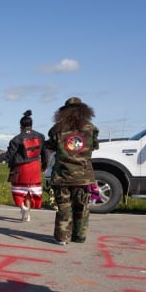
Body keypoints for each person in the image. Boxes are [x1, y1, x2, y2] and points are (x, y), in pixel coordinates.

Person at [45, 97, 99, 245]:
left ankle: (63, 237)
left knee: (64, 205)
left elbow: (50, 146)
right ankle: (79, 236)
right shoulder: (91, 128)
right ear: (84, 110)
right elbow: (94, 146)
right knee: (82, 206)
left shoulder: (57, 128)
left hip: (62, 175)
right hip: (83, 175)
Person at [2, 110, 50, 222]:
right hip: (34, 166)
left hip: (21, 168)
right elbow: (45, 153)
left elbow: (9, 154)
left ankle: (22, 207)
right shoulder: (41, 136)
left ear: (21, 126)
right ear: (31, 124)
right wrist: (44, 165)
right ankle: (28, 213)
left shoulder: (16, 139)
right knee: (30, 191)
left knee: (19, 190)